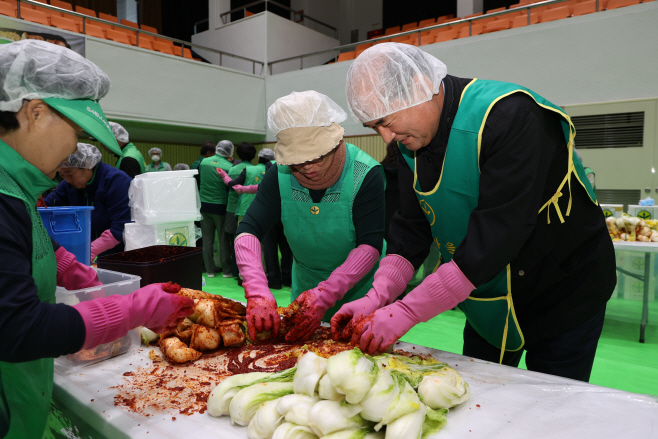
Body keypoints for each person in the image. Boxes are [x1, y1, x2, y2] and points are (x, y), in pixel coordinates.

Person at [332, 43, 615, 383]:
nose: (386, 137)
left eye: (385, 122)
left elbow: (497, 235)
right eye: (374, 126)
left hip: (561, 292)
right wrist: (377, 296)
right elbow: (411, 227)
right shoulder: (413, 140)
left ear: (421, 86)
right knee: (478, 395)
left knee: (552, 402)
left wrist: (407, 311)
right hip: (485, 296)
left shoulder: (510, 118)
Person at [0, 40, 193, 439]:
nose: (75, 148)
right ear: (34, 113)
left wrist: (67, 266)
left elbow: (22, 241)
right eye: (75, 130)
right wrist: (132, 310)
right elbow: (17, 328)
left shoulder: (14, 188)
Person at [235, 90, 386, 342]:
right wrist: (257, 289)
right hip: (305, 285)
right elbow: (249, 229)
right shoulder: (279, 174)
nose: (306, 166)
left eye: (315, 156)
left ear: (334, 141)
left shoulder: (365, 173)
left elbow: (369, 245)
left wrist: (325, 294)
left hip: (360, 287)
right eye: (297, 160)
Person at [44, 144, 132, 262]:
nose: (67, 180)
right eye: (62, 175)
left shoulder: (116, 181)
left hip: (117, 256)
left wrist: (90, 250)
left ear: (88, 165)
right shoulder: (67, 186)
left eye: (70, 174)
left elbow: (122, 226)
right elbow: (46, 206)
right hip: (83, 252)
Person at [220, 148, 293, 289]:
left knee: (267, 249)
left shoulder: (256, 171)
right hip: (286, 217)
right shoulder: (291, 176)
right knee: (286, 248)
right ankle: (288, 279)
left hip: (264, 215)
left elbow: (240, 187)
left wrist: (224, 176)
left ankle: (272, 280)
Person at [198, 140, 234, 278]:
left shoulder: (204, 162)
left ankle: (209, 270)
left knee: (207, 239)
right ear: (229, 151)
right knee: (223, 239)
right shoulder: (229, 166)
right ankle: (226, 271)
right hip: (220, 206)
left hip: (204, 205)